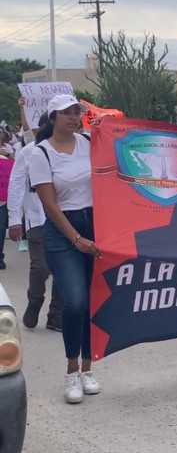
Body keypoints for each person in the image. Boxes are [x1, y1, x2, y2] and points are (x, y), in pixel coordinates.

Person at [29, 94, 103, 404]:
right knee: (74, 301)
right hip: (63, 234)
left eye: (77, 112)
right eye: (68, 113)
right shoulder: (40, 154)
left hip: (95, 225)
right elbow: (49, 204)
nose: (74, 117)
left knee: (92, 302)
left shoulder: (89, 143)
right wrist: (76, 239)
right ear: (53, 117)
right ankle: (71, 370)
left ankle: (88, 369)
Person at [8, 114, 63, 330]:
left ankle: (56, 314)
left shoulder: (70, 150)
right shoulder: (28, 152)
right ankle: (35, 300)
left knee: (62, 269)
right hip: (38, 218)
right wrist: (14, 219)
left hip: (66, 218)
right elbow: (16, 183)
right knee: (41, 267)